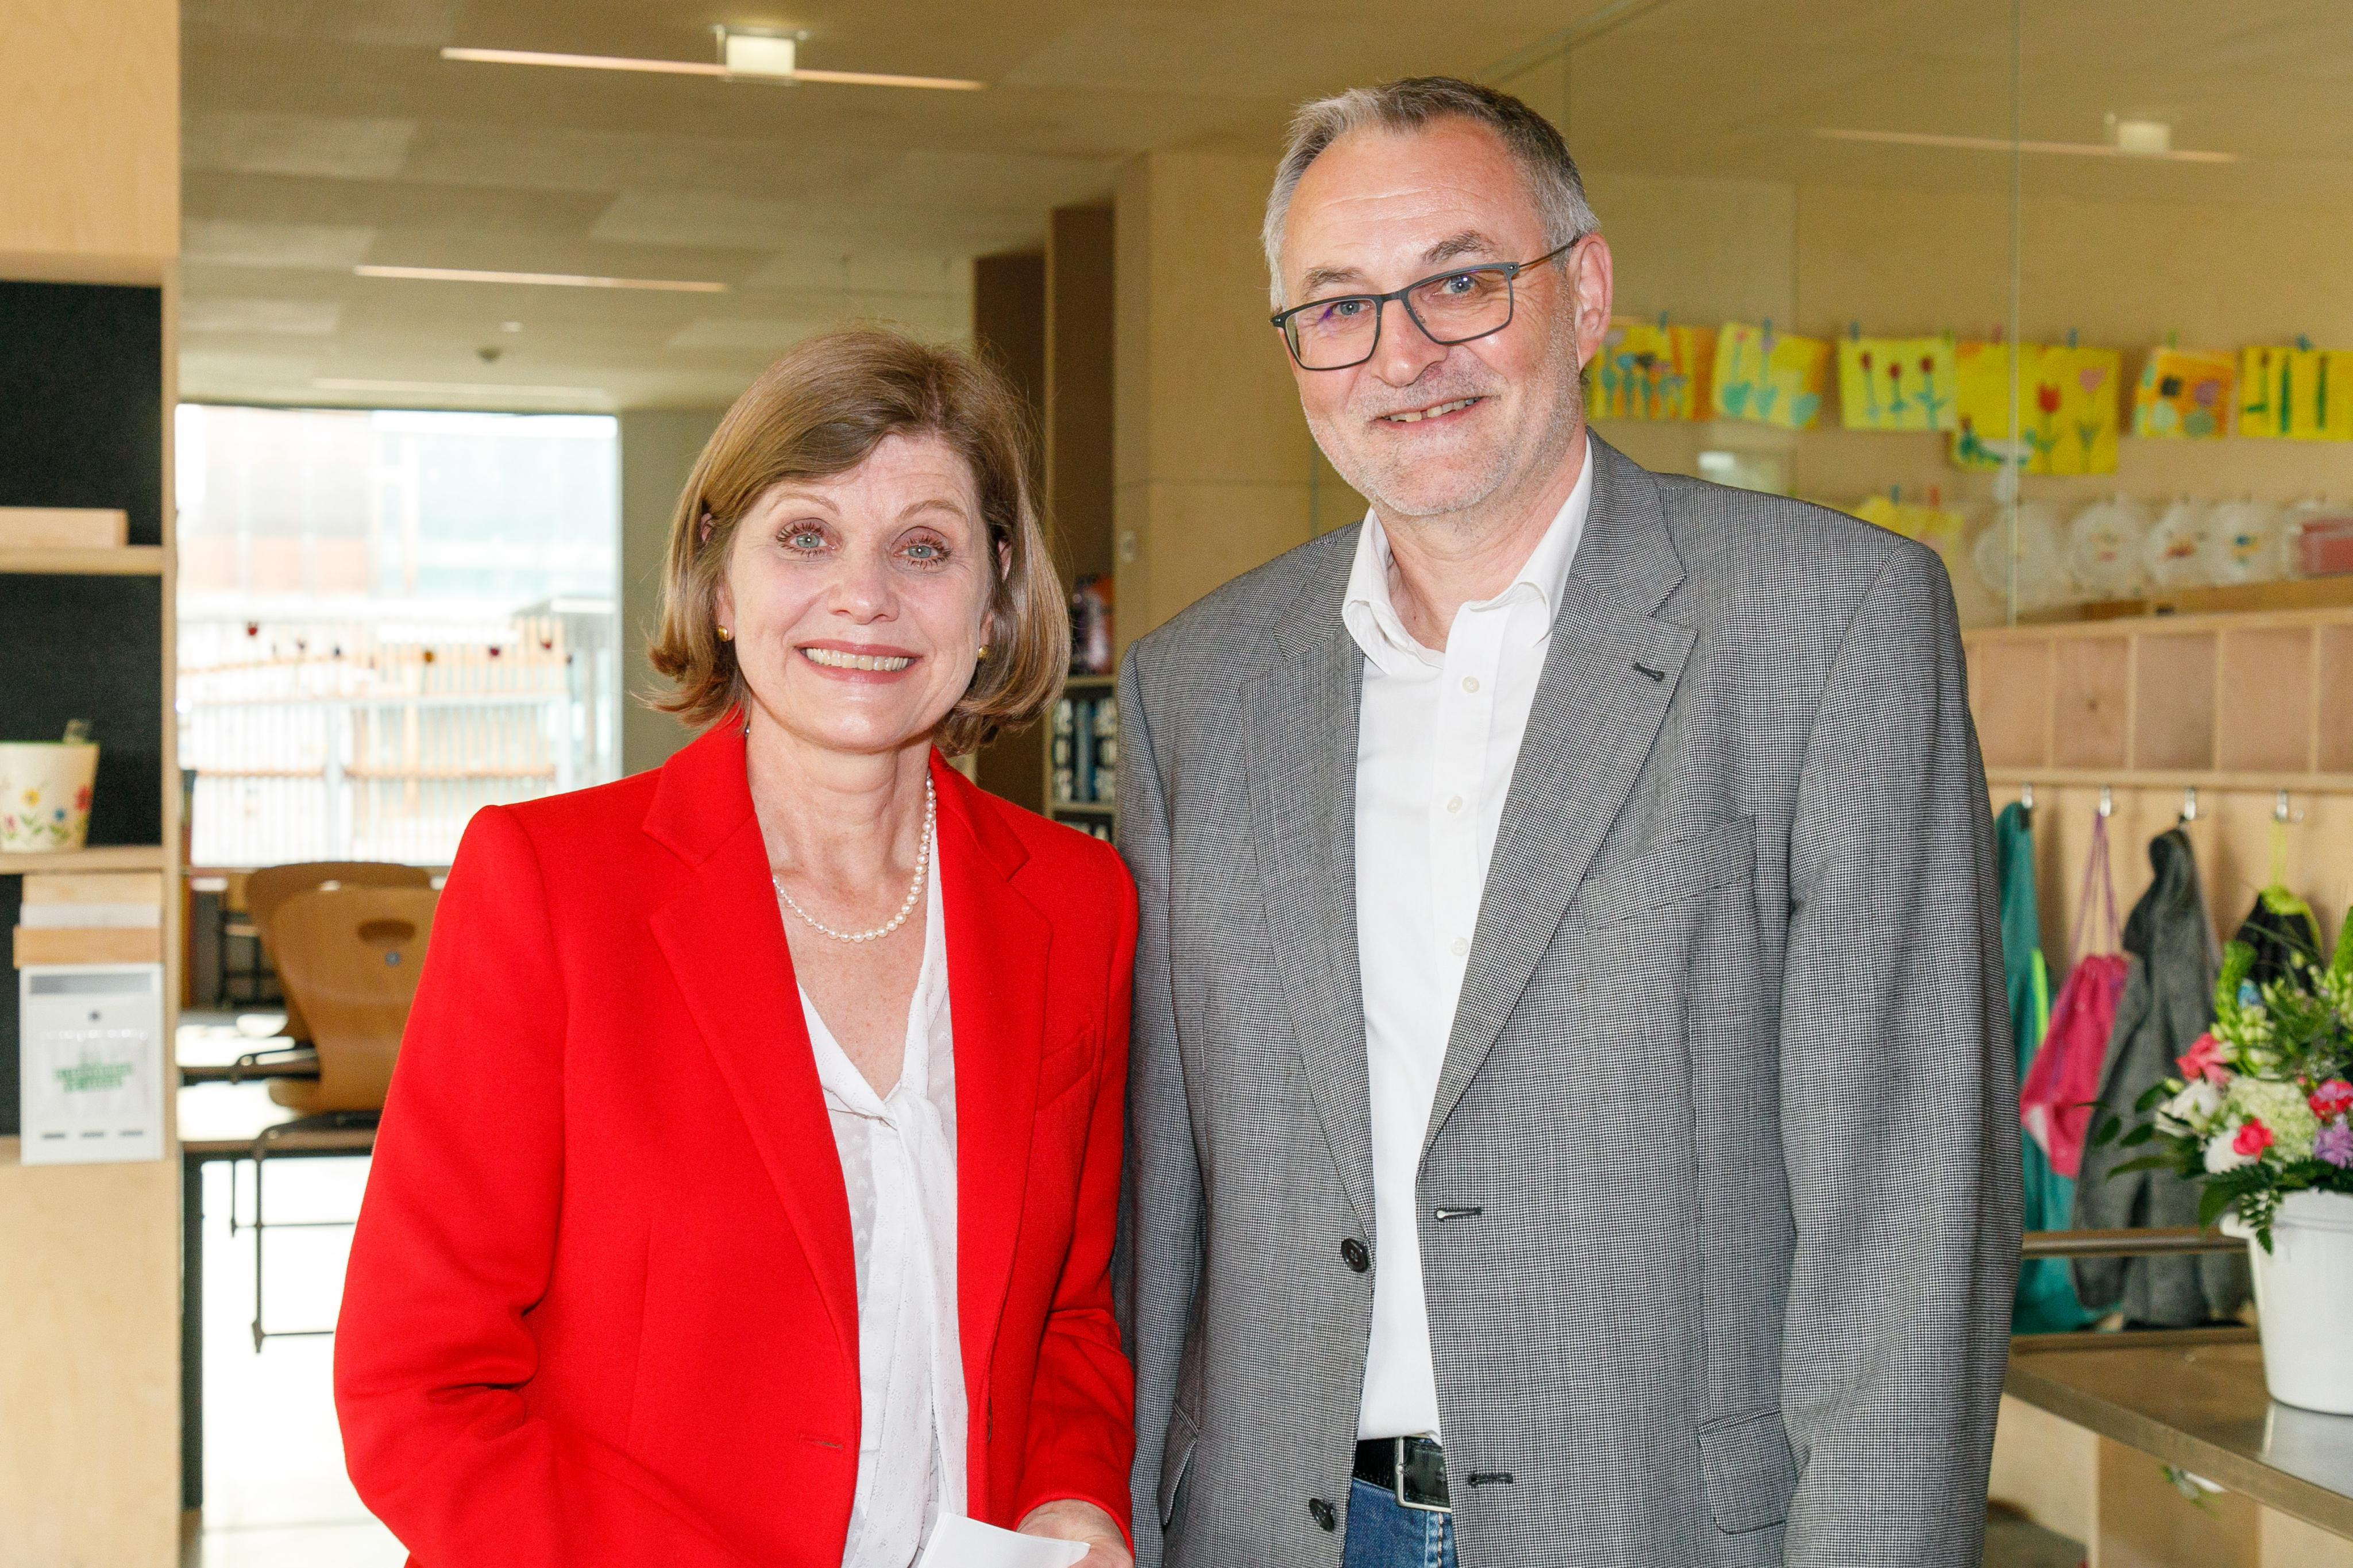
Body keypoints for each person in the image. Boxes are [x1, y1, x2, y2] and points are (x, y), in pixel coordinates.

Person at [1114, 78, 2020, 1568]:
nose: (1402, 354)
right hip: (1275, 1529)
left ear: (1586, 292)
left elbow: (1909, 1219)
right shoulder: (1197, 690)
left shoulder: (1828, 622)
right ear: (1293, 350)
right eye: (1338, 307)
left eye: (1462, 282)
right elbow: (1158, 1210)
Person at [337, 329, 1137, 1568]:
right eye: (806, 536)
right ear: (718, 584)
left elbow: (1069, 1316)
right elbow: (419, 1389)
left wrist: (1071, 1503)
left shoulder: (1078, 905)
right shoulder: (549, 887)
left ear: (992, 600)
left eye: (922, 548)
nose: (863, 596)